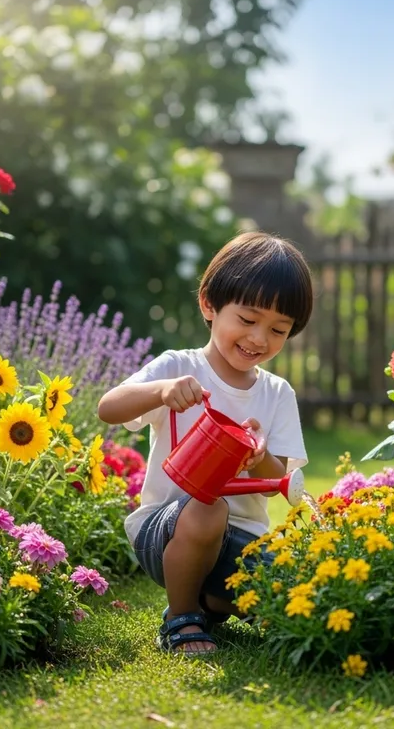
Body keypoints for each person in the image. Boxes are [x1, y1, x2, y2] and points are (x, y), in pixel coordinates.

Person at [97, 231, 313, 656]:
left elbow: (279, 478)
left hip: (240, 541)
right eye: (248, 320)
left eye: (278, 329)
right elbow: (109, 407)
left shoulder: (277, 393)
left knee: (290, 592)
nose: (259, 339)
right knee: (207, 507)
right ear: (209, 305)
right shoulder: (179, 367)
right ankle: (180, 618)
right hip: (165, 531)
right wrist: (160, 391)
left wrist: (259, 456)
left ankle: (211, 600)